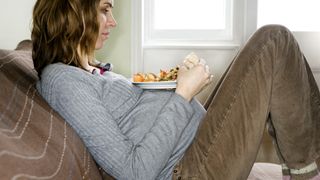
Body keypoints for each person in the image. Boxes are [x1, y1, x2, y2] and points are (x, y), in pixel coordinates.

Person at [31, 0, 320, 179]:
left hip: (196, 146)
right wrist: (182, 94)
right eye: (105, 9)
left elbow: (138, 118)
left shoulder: (88, 70)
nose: (113, 21)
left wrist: (181, 83)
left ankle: (303, 161)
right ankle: (306, 171)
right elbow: (135, 173)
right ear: (73, 12)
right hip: (189, 171)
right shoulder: (63, 81)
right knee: (273, 40)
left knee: (273, 52)